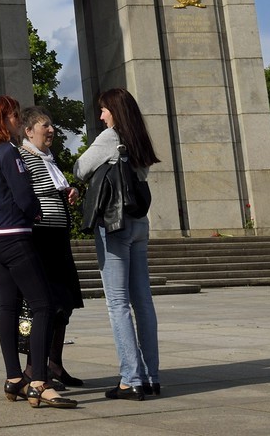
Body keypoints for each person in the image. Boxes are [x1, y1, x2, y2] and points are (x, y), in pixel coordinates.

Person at [0, 95, 75, 409]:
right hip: (16, 237)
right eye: (14, 115)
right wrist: (37, 214)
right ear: (4, 119)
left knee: (10, 308)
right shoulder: (7, 152)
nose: (18, 119)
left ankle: (14, 377)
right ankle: (39, 382)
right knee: (43, 305)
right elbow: (25, 197)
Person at [76, 87, 160, 401]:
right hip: (140, 223)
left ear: (114, 111)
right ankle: (151, 376)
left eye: (103, 110)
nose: (100, 116)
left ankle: (131, 378)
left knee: (117, 304)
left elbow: (80, 168)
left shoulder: (111, 138)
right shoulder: (139, 138)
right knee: (143, 302)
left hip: (115, 225)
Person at [17, 107, 85, 389]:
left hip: (58, 240)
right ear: (28, 131)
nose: (52, 130)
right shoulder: (22, 157)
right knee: (41, 306)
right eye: (45, 125)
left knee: (63, 304)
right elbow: (23, 194)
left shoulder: (49, 159)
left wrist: (71, 191)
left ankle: (55, 364)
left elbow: (54, 188)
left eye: (52, 125)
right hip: (40, 239)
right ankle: (34, 369)